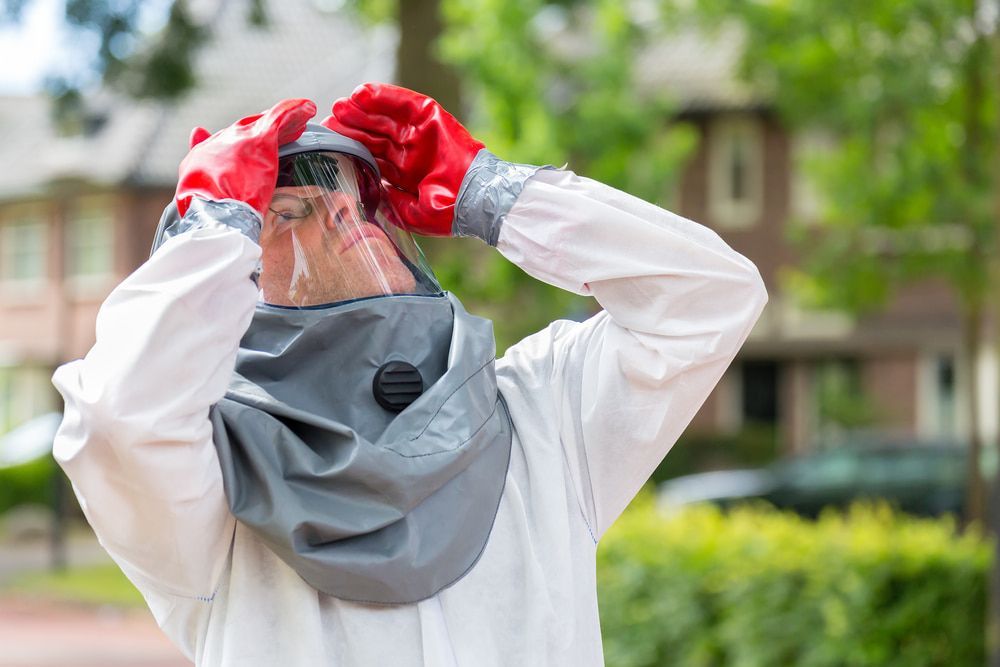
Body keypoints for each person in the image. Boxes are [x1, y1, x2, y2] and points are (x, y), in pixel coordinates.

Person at [52, 84, 767, 666]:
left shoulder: (538, 413)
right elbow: (119, 417)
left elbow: (710, 299)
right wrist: (209, 224)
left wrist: (495, 194)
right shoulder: (210, 481)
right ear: (230, 273)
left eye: (359, 199)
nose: (341, 207)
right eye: (284, 212)